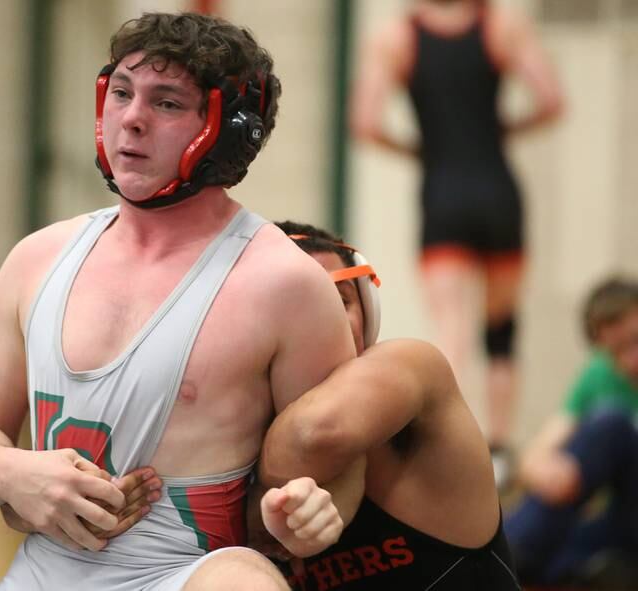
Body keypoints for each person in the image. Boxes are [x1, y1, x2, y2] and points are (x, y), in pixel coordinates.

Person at [0, 12, 358, 591]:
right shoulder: (38, 258)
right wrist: (9, 470)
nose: (131, 120)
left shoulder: (283, 284)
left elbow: (343, 465)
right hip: (45, 570)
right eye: (122, 93)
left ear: (229, 130)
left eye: (166, 104)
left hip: (186, 571)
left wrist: (311, 513)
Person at [351, 0, 564, 487]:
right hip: (497, 187)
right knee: (501, 329)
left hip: (442, 189)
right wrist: (503, 131)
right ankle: (501, 451)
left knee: (452, 330)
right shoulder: (502, 25)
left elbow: (365, 123)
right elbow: (551, 100)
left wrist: (420, 150)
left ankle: (445, 446)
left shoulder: (396, 36)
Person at [257, 221, 520, 590]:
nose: (322, 322)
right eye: (294, 307)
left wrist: (249, 507)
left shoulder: (412, 366)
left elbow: (311, 438)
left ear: (368, 309)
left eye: (340, 300)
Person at [504, 277, 638, 587]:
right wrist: (545, 470)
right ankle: (507, 558)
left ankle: (504, 559)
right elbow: (537, 452)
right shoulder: (602, 374)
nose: (630, 360)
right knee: (563, 552)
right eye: (616, 351)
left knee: (612, 422)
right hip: (625, 522)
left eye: (634, 340)